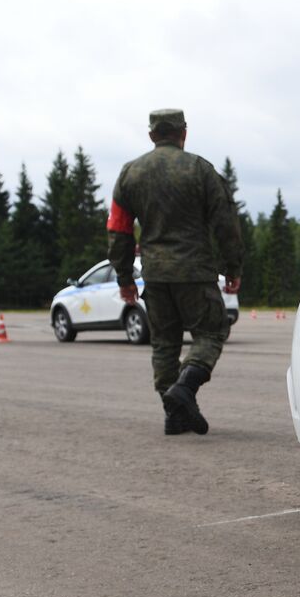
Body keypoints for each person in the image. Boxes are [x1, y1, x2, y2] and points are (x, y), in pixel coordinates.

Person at [106, 109, 244, 435]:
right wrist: (233, 267)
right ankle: (185, 389)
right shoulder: (200, 170)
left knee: (165, 344)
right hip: (195, 272)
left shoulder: (130, 174)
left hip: (154, 274)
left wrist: (125, 278)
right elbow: (226, 224)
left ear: (152, 135)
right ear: (184, 133)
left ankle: (175, 413)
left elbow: (118, 231)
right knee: (211, 333)